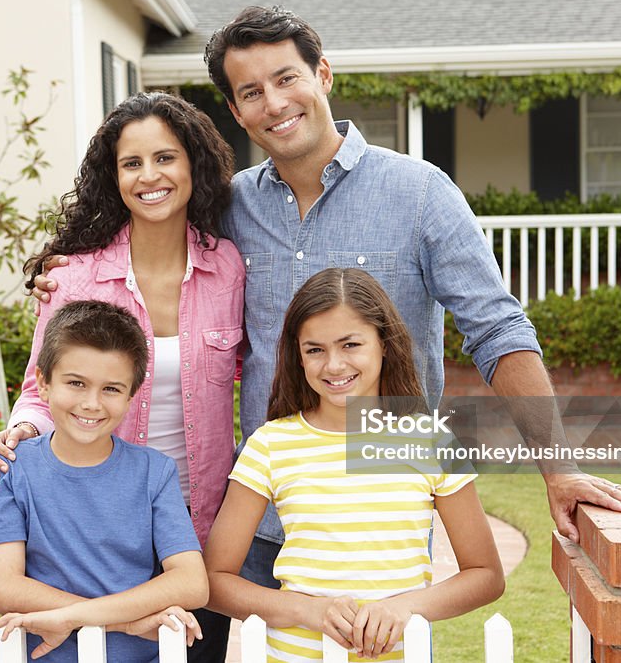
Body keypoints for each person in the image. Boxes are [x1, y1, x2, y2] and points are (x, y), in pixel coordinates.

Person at [24, 4, 621, 591]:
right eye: (250, 92)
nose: (274, 103)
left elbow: (498, 331)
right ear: (236, 113)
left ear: (323, 74)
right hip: (258, 511)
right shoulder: (229, 208)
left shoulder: (420, 193)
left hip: (378, 511)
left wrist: (559, 468)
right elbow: (150, 230)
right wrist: (68, 274)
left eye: (286, 77)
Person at [0, 91, 244, 658]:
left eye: (166, 157)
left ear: (193, 163)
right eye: (132, 162)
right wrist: (21, 434)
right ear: (114, 175)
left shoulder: (228, 266)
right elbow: (39, 386)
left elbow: (264, 368)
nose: (150, 176)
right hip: (101, 531)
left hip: (200, 530)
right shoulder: (72, 278)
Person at [205, 268, 505, 662]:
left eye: (350, 345)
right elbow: (213, 581)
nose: (333, 365)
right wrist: (307, 609)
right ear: (297, 355)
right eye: (315, 349)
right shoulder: (270, 445)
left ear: (384, 344)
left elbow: (485, 575)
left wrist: (402, 608)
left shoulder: (433, 441)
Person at [0, 300, 208, 662]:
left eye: (111, 389)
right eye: (76, 383)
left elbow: (192, 583)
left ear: (132, 396)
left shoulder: (155, 472)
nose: (91, 403)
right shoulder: (14, 468)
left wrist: (73, 618)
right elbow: (3, 588)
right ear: (43, 382)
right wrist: (127, 622)